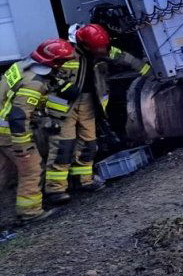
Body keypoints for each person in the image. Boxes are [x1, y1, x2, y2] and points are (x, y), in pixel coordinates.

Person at [44, 24, 152, 202]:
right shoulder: (64, 53)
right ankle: (55, 190)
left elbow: (125, 58)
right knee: (63, 146)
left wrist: (149, 72)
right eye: (98, 49)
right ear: (85, 45)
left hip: (87, 102)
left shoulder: (100, 49)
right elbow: (49, 79)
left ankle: (84, 180)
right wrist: (59, 98)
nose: (102, 51)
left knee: (88, 143)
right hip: (64, 106)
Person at [0, 39, 75, 223]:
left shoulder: (20, 66)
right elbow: (18, 116)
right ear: (54, 62)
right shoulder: (35, 84)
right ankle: (30, 212)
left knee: (4, 171)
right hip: (9, 132)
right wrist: (23, 147)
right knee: (32, 168)